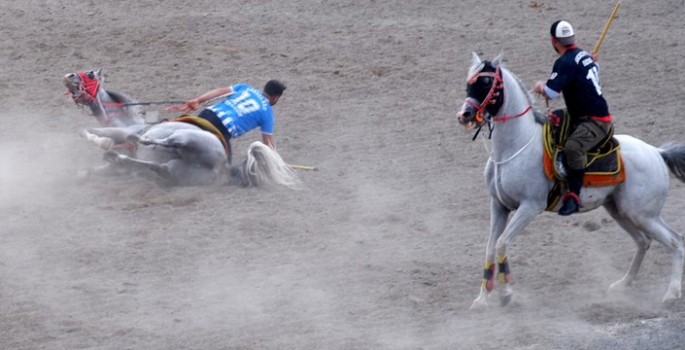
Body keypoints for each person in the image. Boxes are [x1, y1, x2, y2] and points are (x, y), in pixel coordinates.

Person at [533, 20, 614, 216]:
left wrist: (540, 86)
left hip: (596, 122)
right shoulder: (585, 55)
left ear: (554, 41)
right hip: (579, 114)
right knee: (554, 122)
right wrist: (593, 61)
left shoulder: (564, 62)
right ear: (573, 38)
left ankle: (574, 196)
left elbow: (551, 94)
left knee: (573, 147)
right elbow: (592, 71)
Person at [169, 80, 286, 164]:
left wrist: (198, 100)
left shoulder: (245, 88)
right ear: (275, 98)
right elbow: (267, 143)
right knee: (225, 172)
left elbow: (219, 92)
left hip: (207, 114)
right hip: (221, 128)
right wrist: (276, 160)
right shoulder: (268, 113)